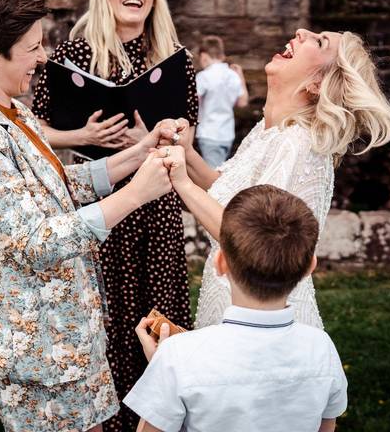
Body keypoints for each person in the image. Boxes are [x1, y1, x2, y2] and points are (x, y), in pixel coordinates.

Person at [0, 0, 175, 432]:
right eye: (32, 48)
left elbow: (60, 188)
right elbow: (34, 243)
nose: (43, 57)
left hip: (69, 336)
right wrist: (135, 194)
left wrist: (138, 154)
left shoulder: (13, 113)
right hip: (37, 355)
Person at [32, 0, 198, 432]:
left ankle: (161, 419)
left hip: (158, 201)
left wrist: (161, 132)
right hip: (98, 199)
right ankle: (106, 419)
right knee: (105, 313)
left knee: (158, 308)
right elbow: (39, 130)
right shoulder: (75, 53)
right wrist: (85, 136)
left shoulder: (172, 56)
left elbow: (190, 129)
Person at [156, 28, 390, 329]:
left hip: (261, 315)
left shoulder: (297, 144)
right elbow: (225, 190)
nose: (301, 31)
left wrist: (182, 183)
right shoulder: (268, 131)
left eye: (319, 42)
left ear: (317, 83)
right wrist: (187, 152)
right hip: (231, 296)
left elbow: (253, 239)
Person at [124, 185, 348, 432]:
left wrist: (163, 367)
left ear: (220, 263)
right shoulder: (321, 347)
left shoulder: (176, 355)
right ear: (310, 267)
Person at [194, 35, 249, 167]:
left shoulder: (204, 76)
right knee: (220, 168)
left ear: (204, 56)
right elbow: (242, 102)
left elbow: (193, 101)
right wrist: (241, 76)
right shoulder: (233, 75)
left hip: (209, 132)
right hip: (227, 133)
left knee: (213, 175)